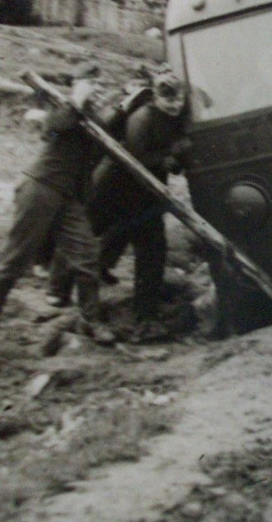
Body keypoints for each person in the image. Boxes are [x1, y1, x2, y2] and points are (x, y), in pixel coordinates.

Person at [0, 63, 116, 345]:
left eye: (101, 84)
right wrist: (76, 101)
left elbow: (99, 147)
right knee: (18, 253)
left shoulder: (95, 118)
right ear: (78, 84)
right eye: (92, 83)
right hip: (40, 188)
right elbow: (52, 128)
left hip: (70, 198)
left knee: (87, 256)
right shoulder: (62, 106)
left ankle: (91, 320)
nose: (98, 89)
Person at [79, 70, 191, 343]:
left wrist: (175, 158)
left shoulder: (173, 116)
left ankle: (134, 314)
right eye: (168, 101)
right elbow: (136, 158)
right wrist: (170, 156)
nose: (175, 105)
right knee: (149, 249)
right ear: (155, 97)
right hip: (124, 189)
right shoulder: (142, 119)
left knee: (135, 245)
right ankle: (140, 320)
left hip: (147, 192)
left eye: (178, 100)